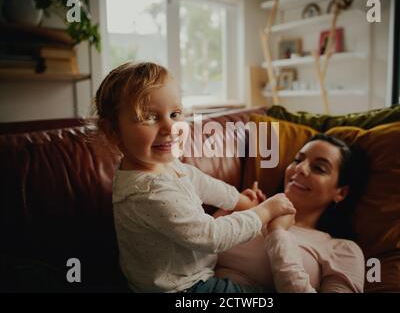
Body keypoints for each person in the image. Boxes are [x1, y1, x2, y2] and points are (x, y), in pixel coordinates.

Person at [94, 61, 296, 293]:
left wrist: (242, 202)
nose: (170, 127)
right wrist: (264, 212)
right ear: (112, 132)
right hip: (184, 289)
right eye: (149, 117)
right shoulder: (148, 193)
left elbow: (204, 184)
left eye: (175, 114)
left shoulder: (163, 165)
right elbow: (212, 236)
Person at [215, 134, 369, 293]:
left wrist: (278, 233)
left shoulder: (342, 250)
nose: (300, 168)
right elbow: (195, 250)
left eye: (319, 168)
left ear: (341, 193)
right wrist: (232, 208)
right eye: (297, 160)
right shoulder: (252, 216)